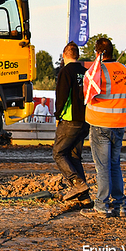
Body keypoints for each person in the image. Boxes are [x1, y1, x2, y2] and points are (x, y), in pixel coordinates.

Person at [81, 37, 126, 219]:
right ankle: (120, 205)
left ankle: (101, 206)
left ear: (97, 52)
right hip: (119, 124)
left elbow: (86, 94)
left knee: (102, 167)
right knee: (115, 165)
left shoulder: (97, 71)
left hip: (100, 124)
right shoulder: (124, 70)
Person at [52, 41, 90, 203]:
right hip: (85, 121)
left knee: (59, 153)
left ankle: (77, 183)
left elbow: (62, 95)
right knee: (74, 157)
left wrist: (58, 115)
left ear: (64, 55)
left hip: (70, 120)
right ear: (78, 56)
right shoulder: (86, 72)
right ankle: (85, 198)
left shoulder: (65, 72)